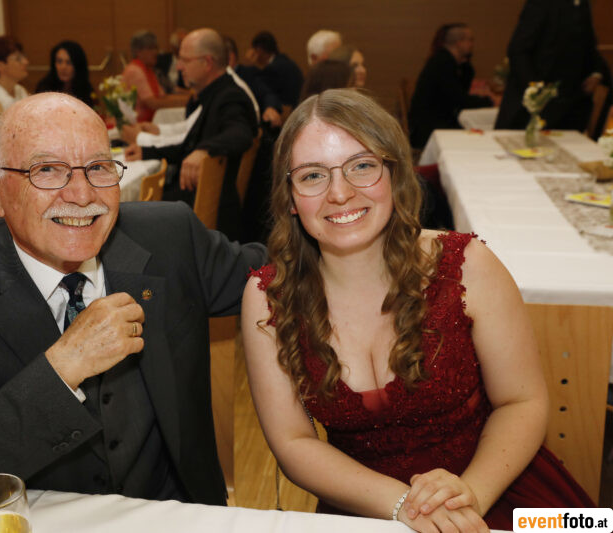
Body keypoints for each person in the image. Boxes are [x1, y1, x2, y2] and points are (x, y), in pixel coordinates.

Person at [0, 91, 265, 518]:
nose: (82, 195)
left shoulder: (170, 237)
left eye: (98, 167)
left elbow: (282, 277)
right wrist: (63, 367)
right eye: (47, 170)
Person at [241, 89, 593, 532]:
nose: (340, 193)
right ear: (291, 198)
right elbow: (293, 442)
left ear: (394, 174)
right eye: (313, 175)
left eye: (362, 166)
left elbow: (522, 401)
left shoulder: (468, 265)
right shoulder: (267, 296)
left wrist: (470, 496)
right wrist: (403, 506)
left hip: (496, 486)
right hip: (365, 506)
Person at [125, 29, 256, 241]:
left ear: (207, 62)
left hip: (206, 210)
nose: (179, 67)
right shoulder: (213, 94)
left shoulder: (229, 96)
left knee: (126, 213)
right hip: (195, 200)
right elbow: (187, 146)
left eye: (185, 60)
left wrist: (205, 150)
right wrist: (147, 151)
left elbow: (241, 133)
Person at [495, 0, 610, 132]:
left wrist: (596, 73)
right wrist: (536, 91)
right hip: (534, 108)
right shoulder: (542, 3)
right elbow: (518, 50)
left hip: (569, 108)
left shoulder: (583, 4)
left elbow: (588, 46)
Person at [408, 24, 493, 150]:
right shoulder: (442, 63)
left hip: (436, 122)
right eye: (470, 40)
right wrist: (491, 101)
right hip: (429, 129)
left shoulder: (448, 60)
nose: (472, 44)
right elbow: (460, 100)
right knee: (482, 137)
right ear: (459, 43)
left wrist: (466, 66)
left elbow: (461, 93)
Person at [122, 30, 189, 123]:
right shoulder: (135, 70)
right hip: (137, 123)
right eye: (151, 48)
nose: (155, 52)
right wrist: (190, 100)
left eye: (156, 48)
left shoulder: (147, 69)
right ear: (138, 51)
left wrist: (190, 97)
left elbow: (163, 97)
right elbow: (153, 103)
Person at [250, 31, 304, 108]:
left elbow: (260, 89)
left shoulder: (273, 69)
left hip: (289, 110)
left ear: (259, 50)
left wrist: (252, 64)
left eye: (255, 50)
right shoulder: (285, 61)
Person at [35, 40, 94, 108]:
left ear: (78, 66)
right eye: (59, 61)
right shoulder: (44, 88)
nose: (63, 67)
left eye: (69, 62)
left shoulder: (86, 91)